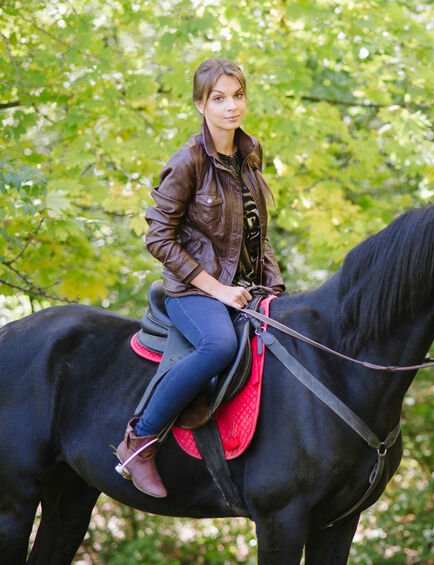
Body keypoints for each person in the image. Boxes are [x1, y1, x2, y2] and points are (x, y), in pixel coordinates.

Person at [115, 58, 286, 497]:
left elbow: (257, 234)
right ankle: (139, 443)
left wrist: (277, 292)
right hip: (193, 292)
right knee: (219, 345)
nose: (232, 106)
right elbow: (158, 238)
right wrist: (218, 289)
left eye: (238, 95)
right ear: (200, 104)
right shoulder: (188, 160)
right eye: (219, 98)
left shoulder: (249, 153)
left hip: (247, 290)